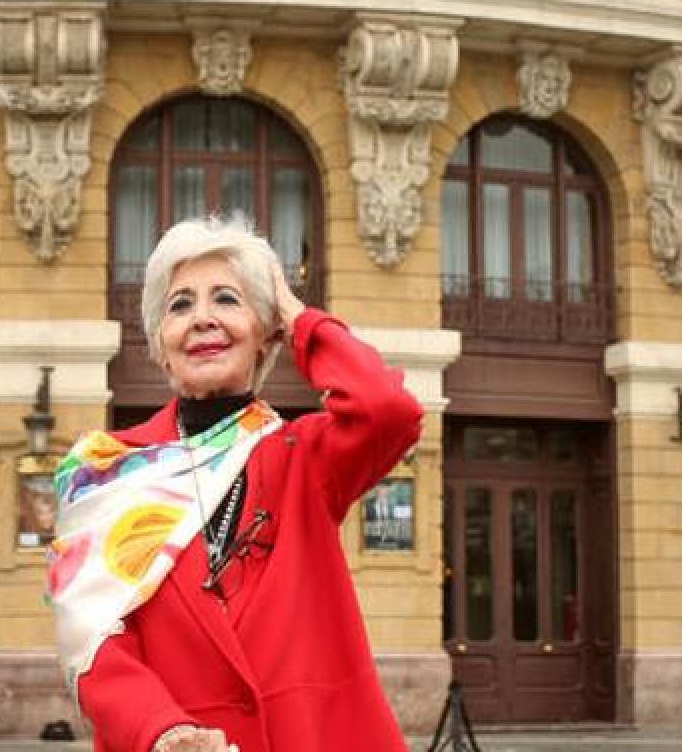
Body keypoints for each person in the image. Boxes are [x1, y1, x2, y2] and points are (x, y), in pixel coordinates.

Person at [48, 215, 424, 752]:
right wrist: (163, 730)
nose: (202, 318)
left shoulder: (304, 458)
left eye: (227, 299)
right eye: (180, 305)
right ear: (160, 342)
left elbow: (386, 409)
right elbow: (92, 640)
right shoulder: (103, 472)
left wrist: (296, 316)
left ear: (265, 336)